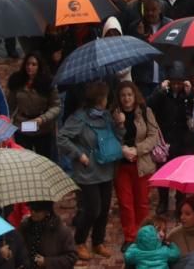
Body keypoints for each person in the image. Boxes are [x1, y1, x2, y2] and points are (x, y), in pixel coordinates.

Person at [57, 81, 122, 260]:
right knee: (92, 209)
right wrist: (78, 155)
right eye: (105, 97)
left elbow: (117, 139)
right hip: (88, 171)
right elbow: (61, 138)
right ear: (99, 99)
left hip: (106, 168)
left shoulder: (107, 117)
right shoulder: (79, 118)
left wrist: (120, 125)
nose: (107, 100)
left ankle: (97, 242)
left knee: (104, 209)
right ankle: (79, 241)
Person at [112, 81, 162, 247]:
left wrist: (137, 149)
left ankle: (143, 234)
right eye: (123, 95)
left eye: (129, 95)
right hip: (121, 165)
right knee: (125, 203)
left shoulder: (145, 112)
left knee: (141, 202)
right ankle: (130, 237)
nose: (126, 99)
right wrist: (122, 148)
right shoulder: (113, 114)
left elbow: (153, 136)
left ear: (135, 96)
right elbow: (107, 139)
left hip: (141, 163)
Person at [147, 61, 194, 216]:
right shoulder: (162, 94)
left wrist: (190, 95)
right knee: (164, 171)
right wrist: (160, 91)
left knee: (182, 174)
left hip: (183, 140)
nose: (176, 86)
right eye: (173, 83)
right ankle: (163, 201)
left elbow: (193, 111)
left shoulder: (186, 95)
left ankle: (181, 202)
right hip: (166, 139)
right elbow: (149, 105)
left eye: (178, 83)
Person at [6, 52, 60, 160]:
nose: (30, 67)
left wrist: (42, 119)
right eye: (27, 64)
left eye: (33, 64)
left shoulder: (48, 83)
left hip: (42, 127)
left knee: (44, 159)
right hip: (22, 125)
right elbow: (10, 105)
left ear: (39, 66)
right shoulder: (17, 82)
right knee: (24, 159)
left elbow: (56, 106)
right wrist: (7, 123)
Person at [19, 201, 77, 269]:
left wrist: (47, 262)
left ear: (47, 211)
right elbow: (19, 249)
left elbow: (71, 258)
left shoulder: (61, 230)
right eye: (31, 209)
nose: (33, 212)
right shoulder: (25, 226)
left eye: (37, 210)